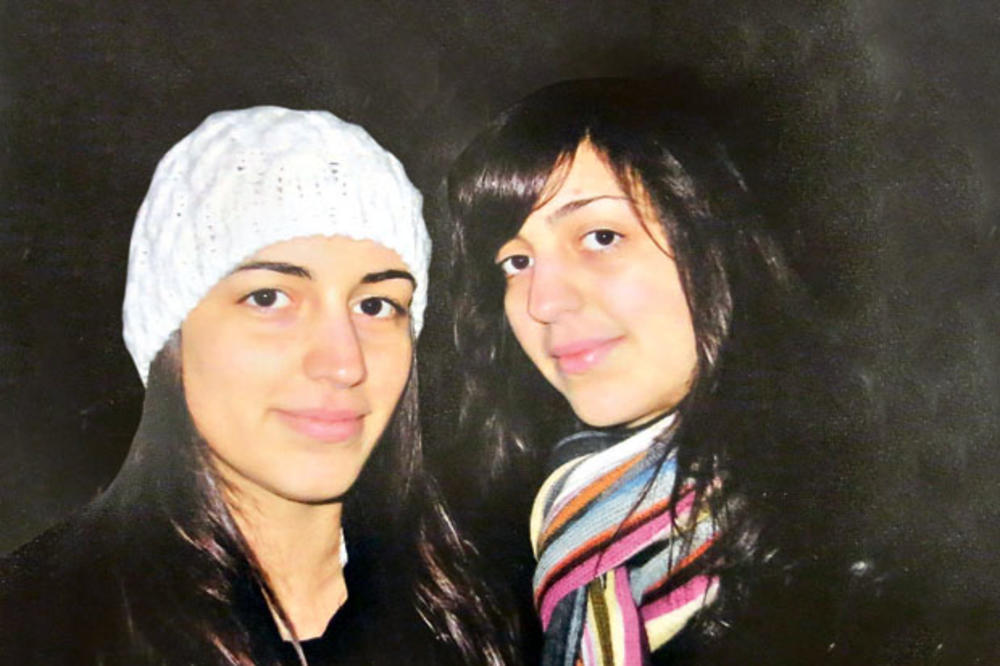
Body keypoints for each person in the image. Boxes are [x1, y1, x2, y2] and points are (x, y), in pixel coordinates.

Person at [0, 106, 514, 665]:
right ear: (170, 335)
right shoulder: (33, 623)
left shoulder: (488, 610)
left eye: (375, 305)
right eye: (268, 298)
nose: (343, 363)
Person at [444, 78, 881, 665]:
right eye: (516, 261)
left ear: (718, 244)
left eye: (601, 237)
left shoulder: (870, 566)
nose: (542, 302)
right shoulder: (493, 556)